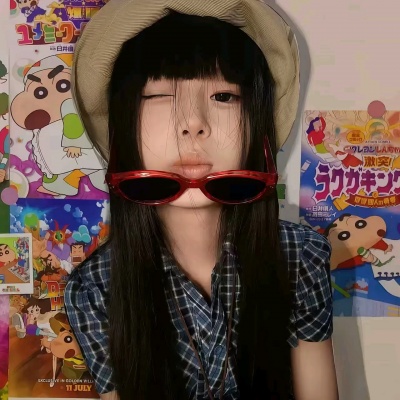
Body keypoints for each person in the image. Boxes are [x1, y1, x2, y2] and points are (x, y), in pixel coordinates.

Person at [64, 1, 338, 399]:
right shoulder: (94, 288)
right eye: (158, 95)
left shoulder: (300, 257)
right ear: (122, 125)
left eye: (224, 96)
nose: (192, 123)